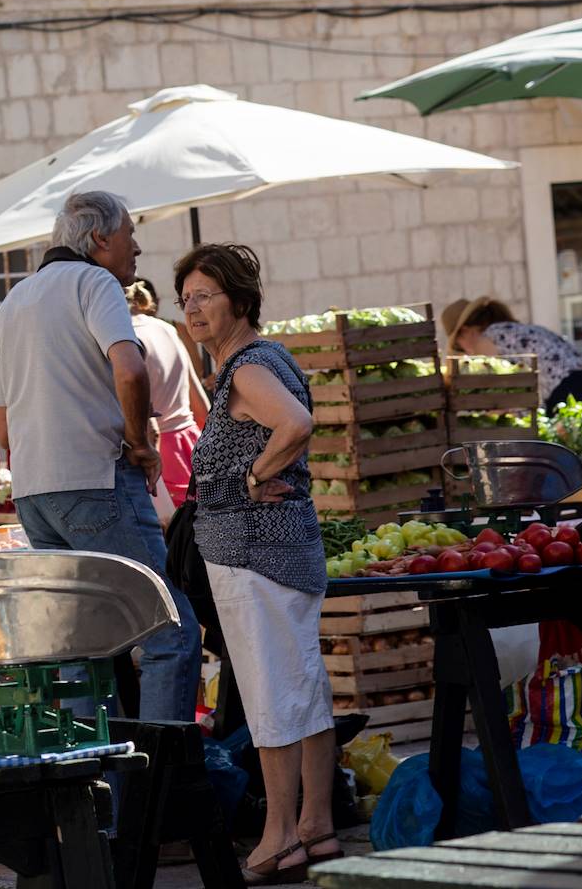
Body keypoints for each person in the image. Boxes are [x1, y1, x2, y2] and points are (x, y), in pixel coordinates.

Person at [0, 191, 200, 723]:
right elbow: (130, 369)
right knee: (171, 633)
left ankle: (100, 770)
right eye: (131, 235)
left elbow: (2, 422)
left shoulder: (15, 301)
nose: (138, 248)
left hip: (34, 494)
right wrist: (140, 443)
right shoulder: (95, 282)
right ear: (100, 239)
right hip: (94, 480)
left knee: (83, 648)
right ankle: (162, 771)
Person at [175, 243, 337, 884]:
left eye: (205, 295)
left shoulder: (247, 368)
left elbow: (295, 423)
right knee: (303, 684)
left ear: (240, 300)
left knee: (271, 692)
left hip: (254, 553)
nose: (192, 309)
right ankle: (316, 826)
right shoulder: (265, 359)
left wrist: (250, 476)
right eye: (185, 298)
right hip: (281, 549)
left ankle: (278, 837)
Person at [127, 280, 208, 510]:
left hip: (157, 454)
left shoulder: (124, 340)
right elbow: (201, 407)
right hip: (191, 443)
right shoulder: (166, 329)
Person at [442, 296, 582, 408]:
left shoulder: (485, 340)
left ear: (465, 332)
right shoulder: (506, 329)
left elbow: (499, 388)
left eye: (458, 345)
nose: (466, 351)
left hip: (568, 390)